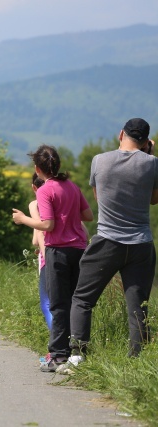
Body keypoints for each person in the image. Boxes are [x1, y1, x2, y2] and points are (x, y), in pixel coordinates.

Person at [58, 118, 158, 373]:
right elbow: (154, 200)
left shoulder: (99, 160)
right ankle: (137, 363)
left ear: (121, 133)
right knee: (138, 307)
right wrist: (149, 156)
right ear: (147, 141)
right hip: (141, 244)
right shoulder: (153, 163)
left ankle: (78, 355)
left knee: (82, 298)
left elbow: (99, 196)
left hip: (106, 241)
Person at [12, 145, 93, 372]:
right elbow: (88, 215)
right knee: (76, 302)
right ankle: (78, 352)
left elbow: (48, 225)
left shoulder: (44, 191)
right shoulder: (72, 187)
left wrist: (23, 219)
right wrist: (67, 211)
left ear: (38, 169)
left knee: (58, 305)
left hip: (57, 251)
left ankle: (58, 356)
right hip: (79, 250)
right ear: (57, 165)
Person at [29, 173, 53, 332]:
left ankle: (57, 347)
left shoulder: (37, 204)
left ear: (34, 188)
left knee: (47, 304)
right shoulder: (60, 198)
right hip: (72, 254)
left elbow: (36, 240)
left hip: (48, 257)